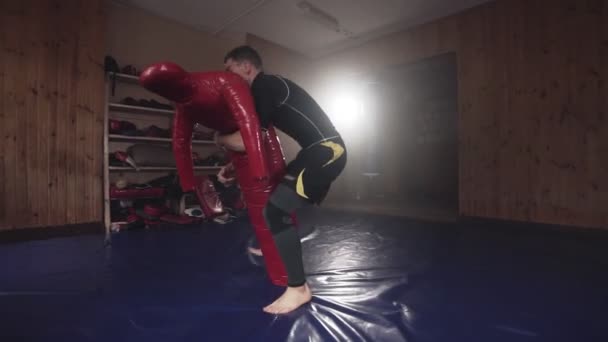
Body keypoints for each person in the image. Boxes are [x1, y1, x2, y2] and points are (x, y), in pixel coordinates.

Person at [215, 45, 347, 314]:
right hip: (313, 151)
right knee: (275, 200)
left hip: (327, 150)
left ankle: (298, 289)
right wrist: (232, 165)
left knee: (276, 210)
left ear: (247, 67)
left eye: (230, 70)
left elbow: (245, 142)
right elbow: (256, 143)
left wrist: (217, 139)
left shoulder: (265, 85)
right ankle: (280, 247)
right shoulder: (263, 91)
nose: (227, 76)